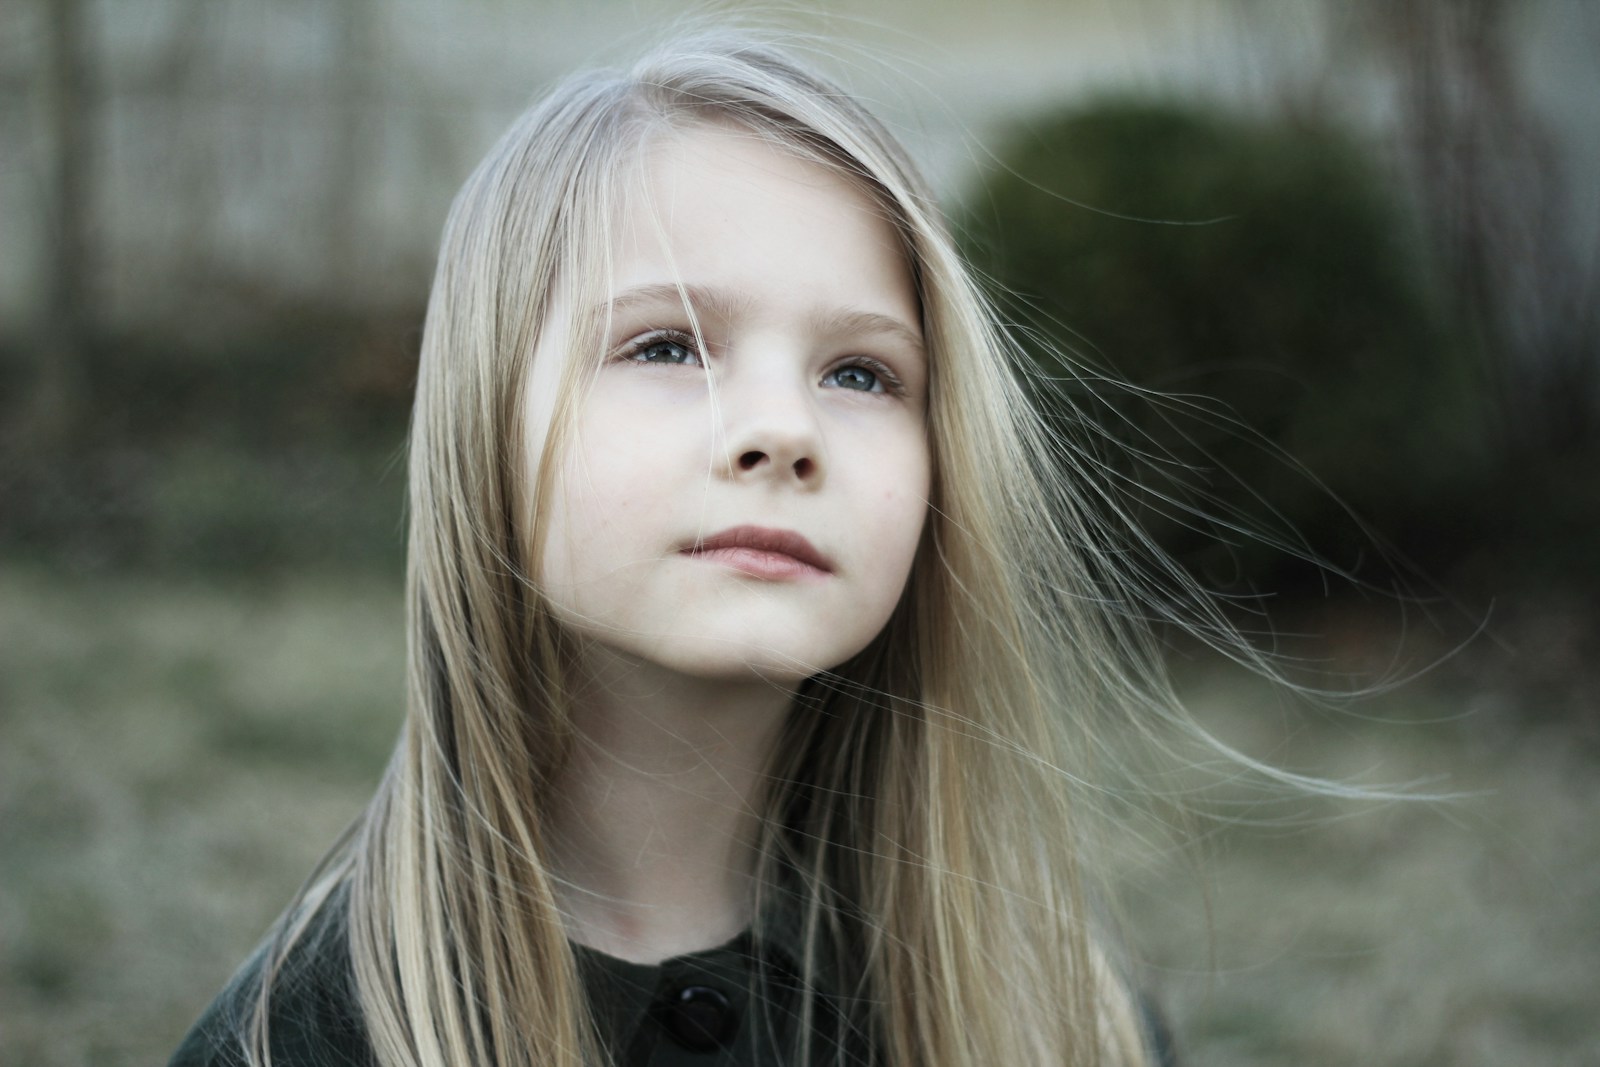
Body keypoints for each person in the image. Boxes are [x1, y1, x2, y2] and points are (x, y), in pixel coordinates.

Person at [171, 28, 1187, 1067]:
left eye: (861, 373)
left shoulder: (1054, 1012)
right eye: (666, 346)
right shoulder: (299, 1041)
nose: (782, 429)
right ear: (484, 433)